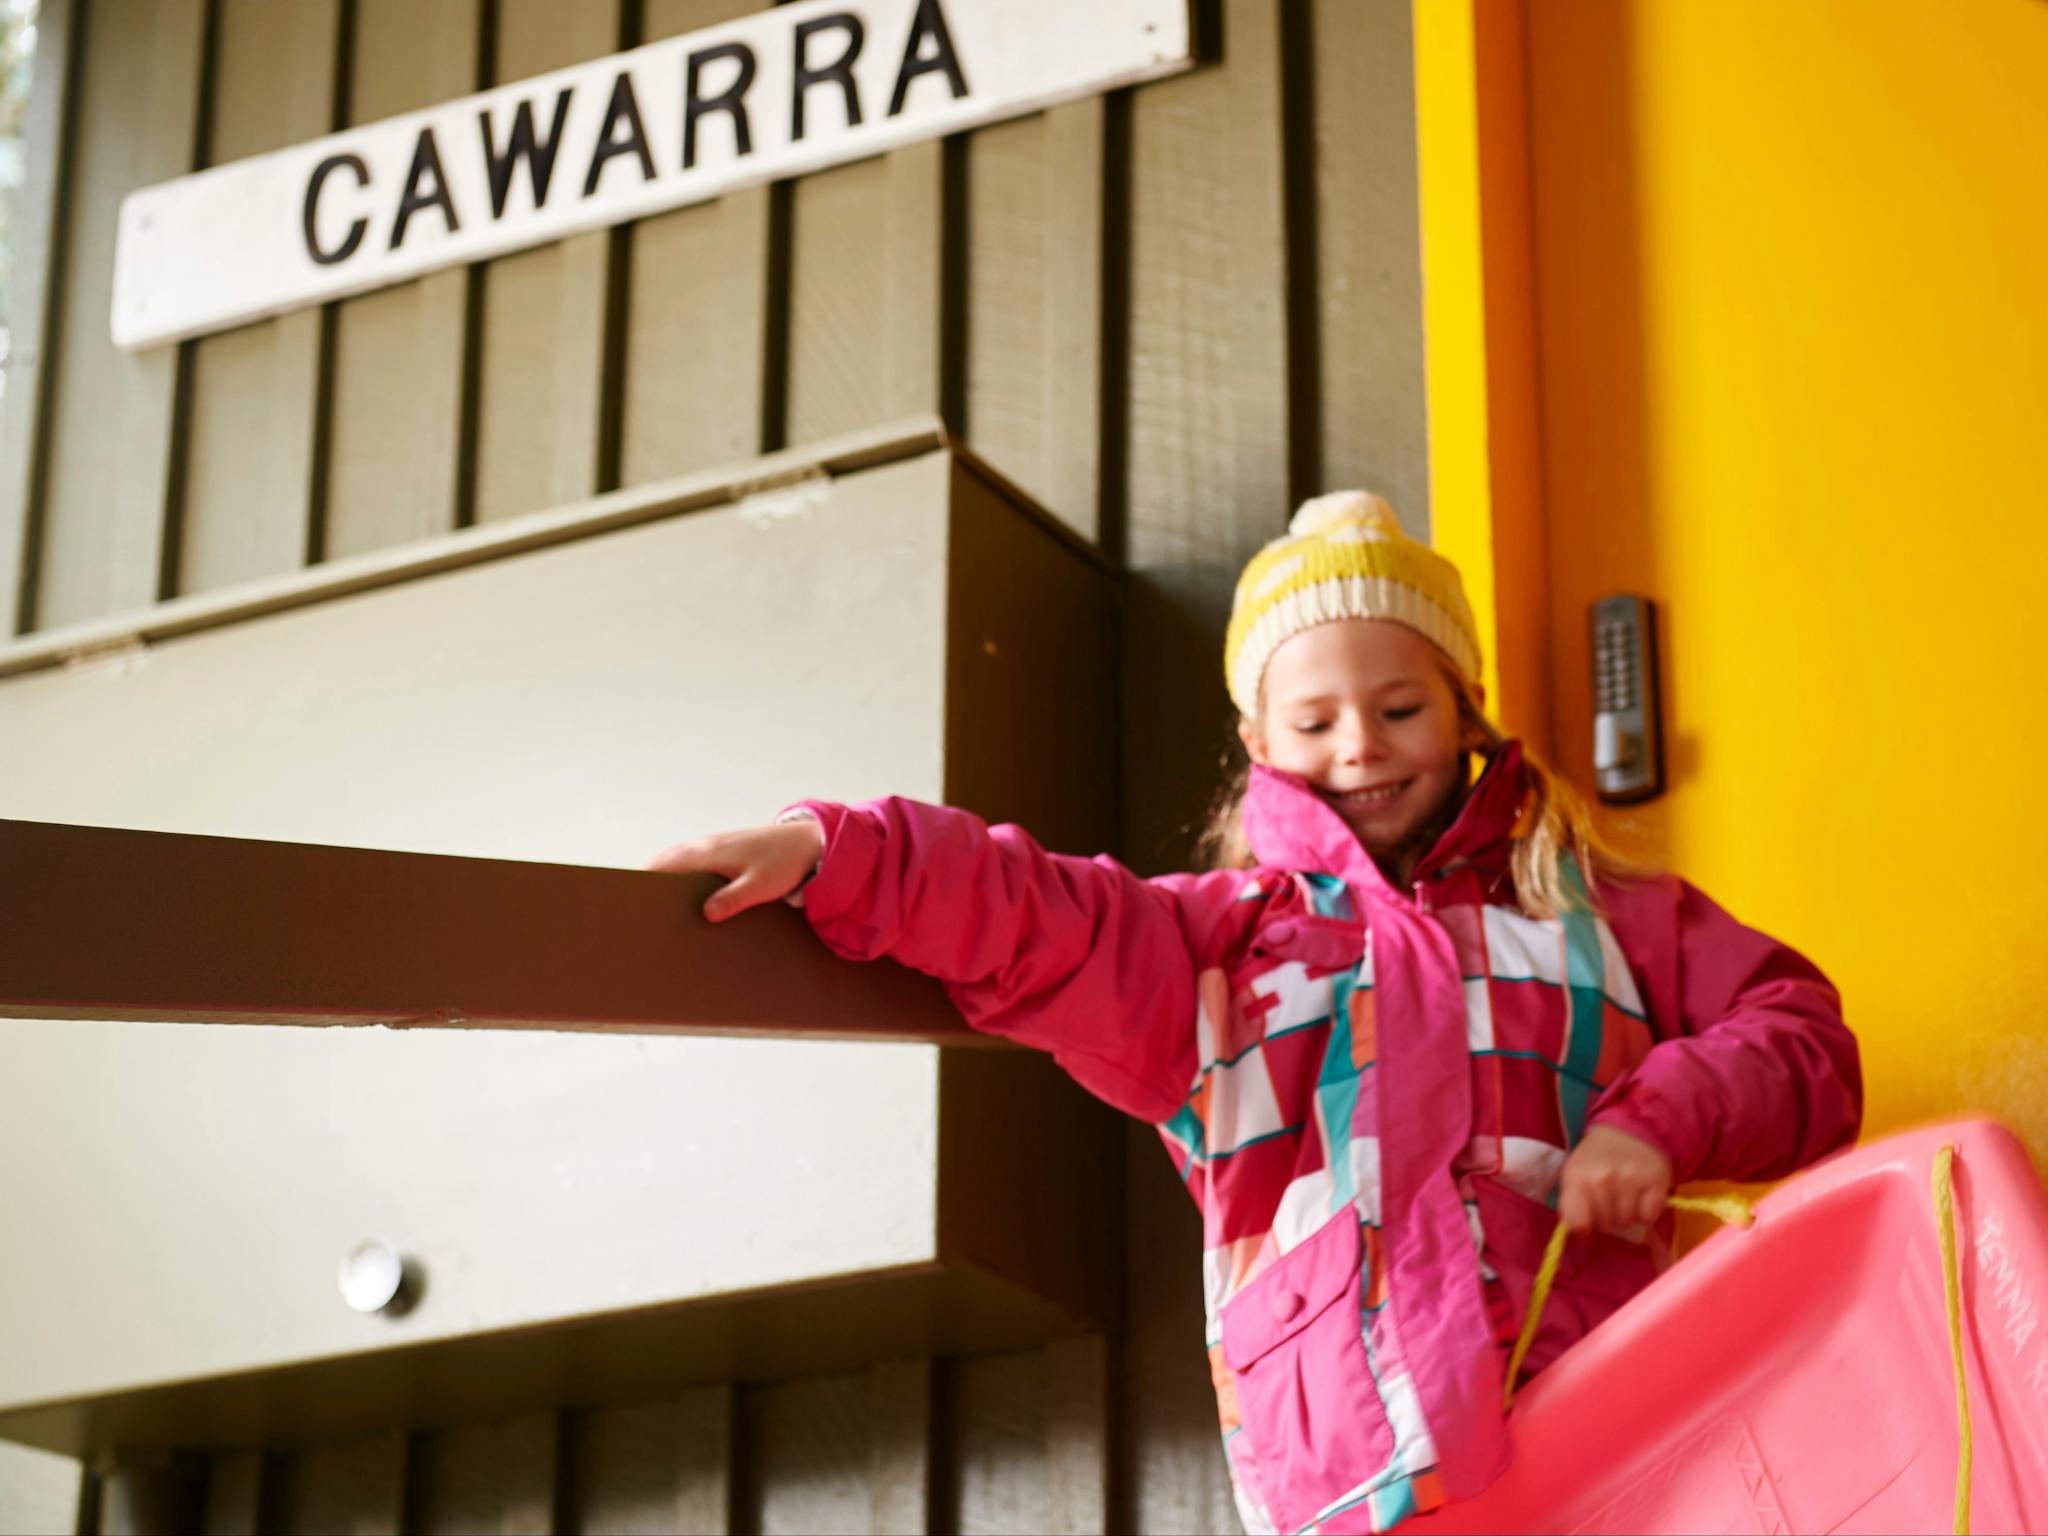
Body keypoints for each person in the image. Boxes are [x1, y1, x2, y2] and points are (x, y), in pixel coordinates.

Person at [646, 491, 1863, 1534]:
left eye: (1401, 710)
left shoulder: (1594, 913)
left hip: (1625, 1407)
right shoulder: (1211, 949)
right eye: (1316, 722)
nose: (1362, 749)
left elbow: (1799, 1035)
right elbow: (1028, 913)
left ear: (1464, 706)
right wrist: (836, 852)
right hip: (1367, 1471)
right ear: (1258, 740)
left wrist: (1654, 1121)